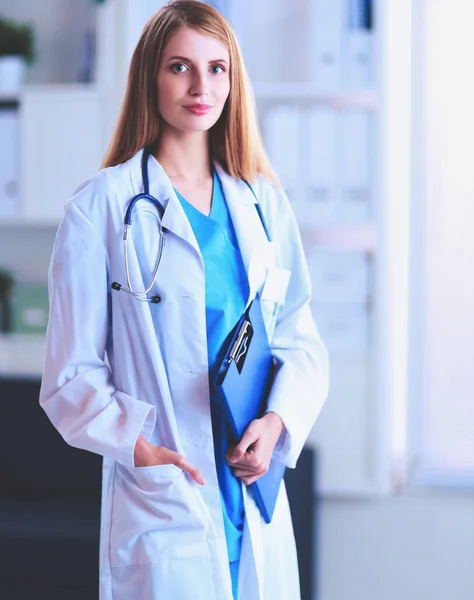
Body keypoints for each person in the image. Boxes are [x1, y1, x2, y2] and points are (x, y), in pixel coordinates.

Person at [39, 1, 329, 599]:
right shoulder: (103, 208)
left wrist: (277, 423)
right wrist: (140, 449)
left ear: (233, 80)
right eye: (180, 67)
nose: (202, 86)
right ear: (151, 76)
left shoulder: (263, 205)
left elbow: (299, 335)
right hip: (165, 497)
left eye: (217, 68)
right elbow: (70, 377)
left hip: (251, 492)